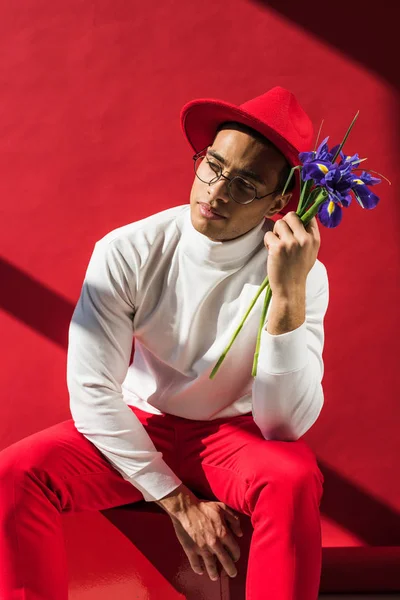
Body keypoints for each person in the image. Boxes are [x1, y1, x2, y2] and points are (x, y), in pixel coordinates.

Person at [0, 86, 329, 600]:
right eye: (213, 166)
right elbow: (92, 391)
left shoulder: (299, 272)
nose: (216, 191)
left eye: (245, 184)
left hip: (233, 437)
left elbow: (282, 425)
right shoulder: (127, 249)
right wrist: (178, 503)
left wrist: (288, 292)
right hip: (141, 425)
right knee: (15, 472)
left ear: (281, 201)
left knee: (292, 480)